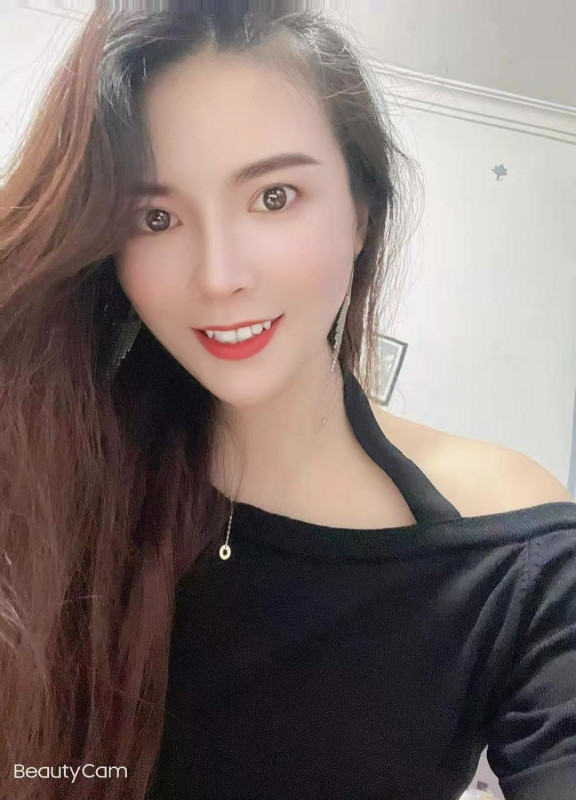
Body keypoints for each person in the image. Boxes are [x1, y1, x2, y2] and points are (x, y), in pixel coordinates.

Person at [1, 4, 574, 800]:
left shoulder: (513, 554)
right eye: (156, 217)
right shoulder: (51, 476)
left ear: (362, 213)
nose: (219, 276)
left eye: (274, 196)